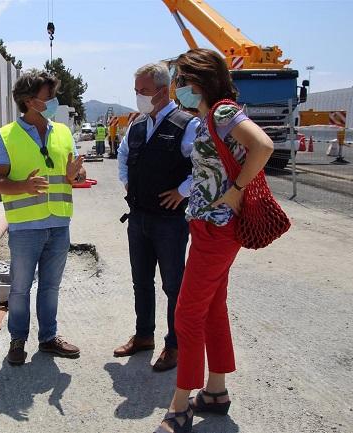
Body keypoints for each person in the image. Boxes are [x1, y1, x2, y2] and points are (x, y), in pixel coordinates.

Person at [154, 49, 274, 433]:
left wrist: (237, 189)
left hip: (217, 228)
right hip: (209, 226)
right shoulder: (207, 116)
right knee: (211, 308)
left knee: (187, 315)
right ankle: (216, 391)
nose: (177, 87)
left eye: (180, 79)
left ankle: (180, 405)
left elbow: (264, 145)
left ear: (198, 80)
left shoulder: (222, 112)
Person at [0, 71, 86, 366]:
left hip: (59, 223)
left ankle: (48, 338)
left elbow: (75, 175)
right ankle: (17, 340)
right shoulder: (6, 136)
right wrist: (23, 187)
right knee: (20, 287)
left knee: (50, 286)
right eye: (49, 96)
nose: (54, 101)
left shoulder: (63, 133)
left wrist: (76, 175)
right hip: (26, 227)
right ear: (30, 101)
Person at [115, 63, 200, 372]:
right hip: (138, 219)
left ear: (164, 92)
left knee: (174, 286)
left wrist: (182, 190)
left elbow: (202, 166)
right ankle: (143, 336)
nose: (138, 97)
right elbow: (123, 155)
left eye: (144, 91)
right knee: (141, 282)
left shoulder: (187, 125)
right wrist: (126, 180)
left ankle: (174, 344)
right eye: (136, 91)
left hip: (169, 222)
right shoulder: (138, 125)